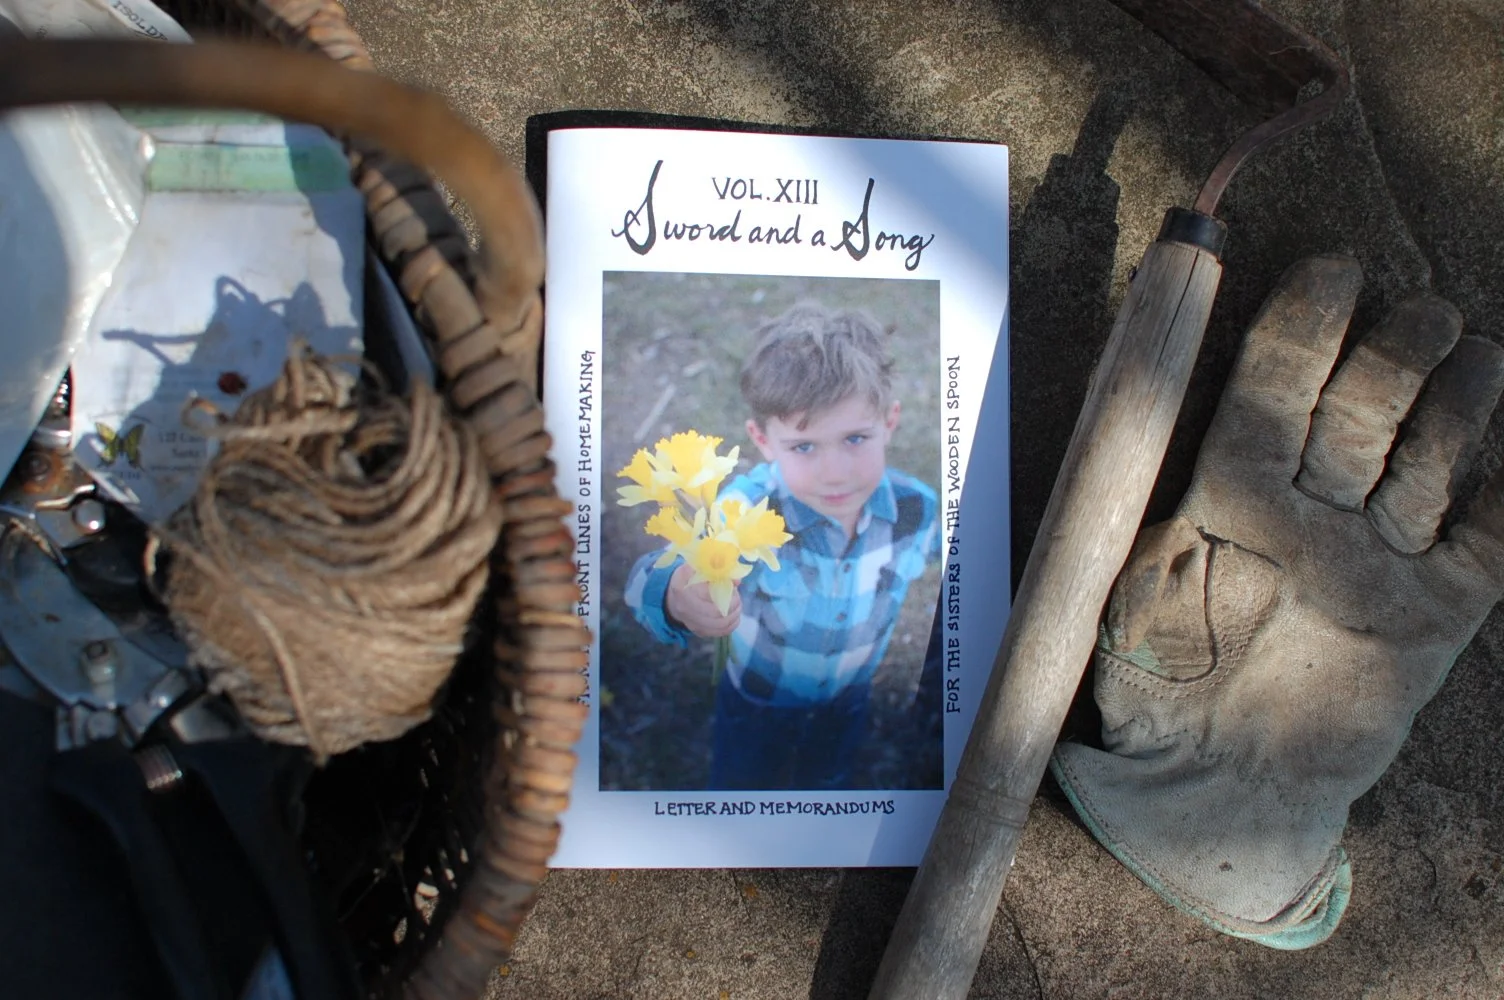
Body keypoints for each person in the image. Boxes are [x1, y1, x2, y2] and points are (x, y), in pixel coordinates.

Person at [624, 302, 940, 790]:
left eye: (855, 438)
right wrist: (673, 594)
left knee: (827, 779)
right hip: (755, 699)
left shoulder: (917, 510)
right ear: (763, 440)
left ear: (890, 421)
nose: (835, 472)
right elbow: (647, 574)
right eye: (804, 446)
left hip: (848, 696)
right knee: (742, 783)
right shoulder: (743, 514)